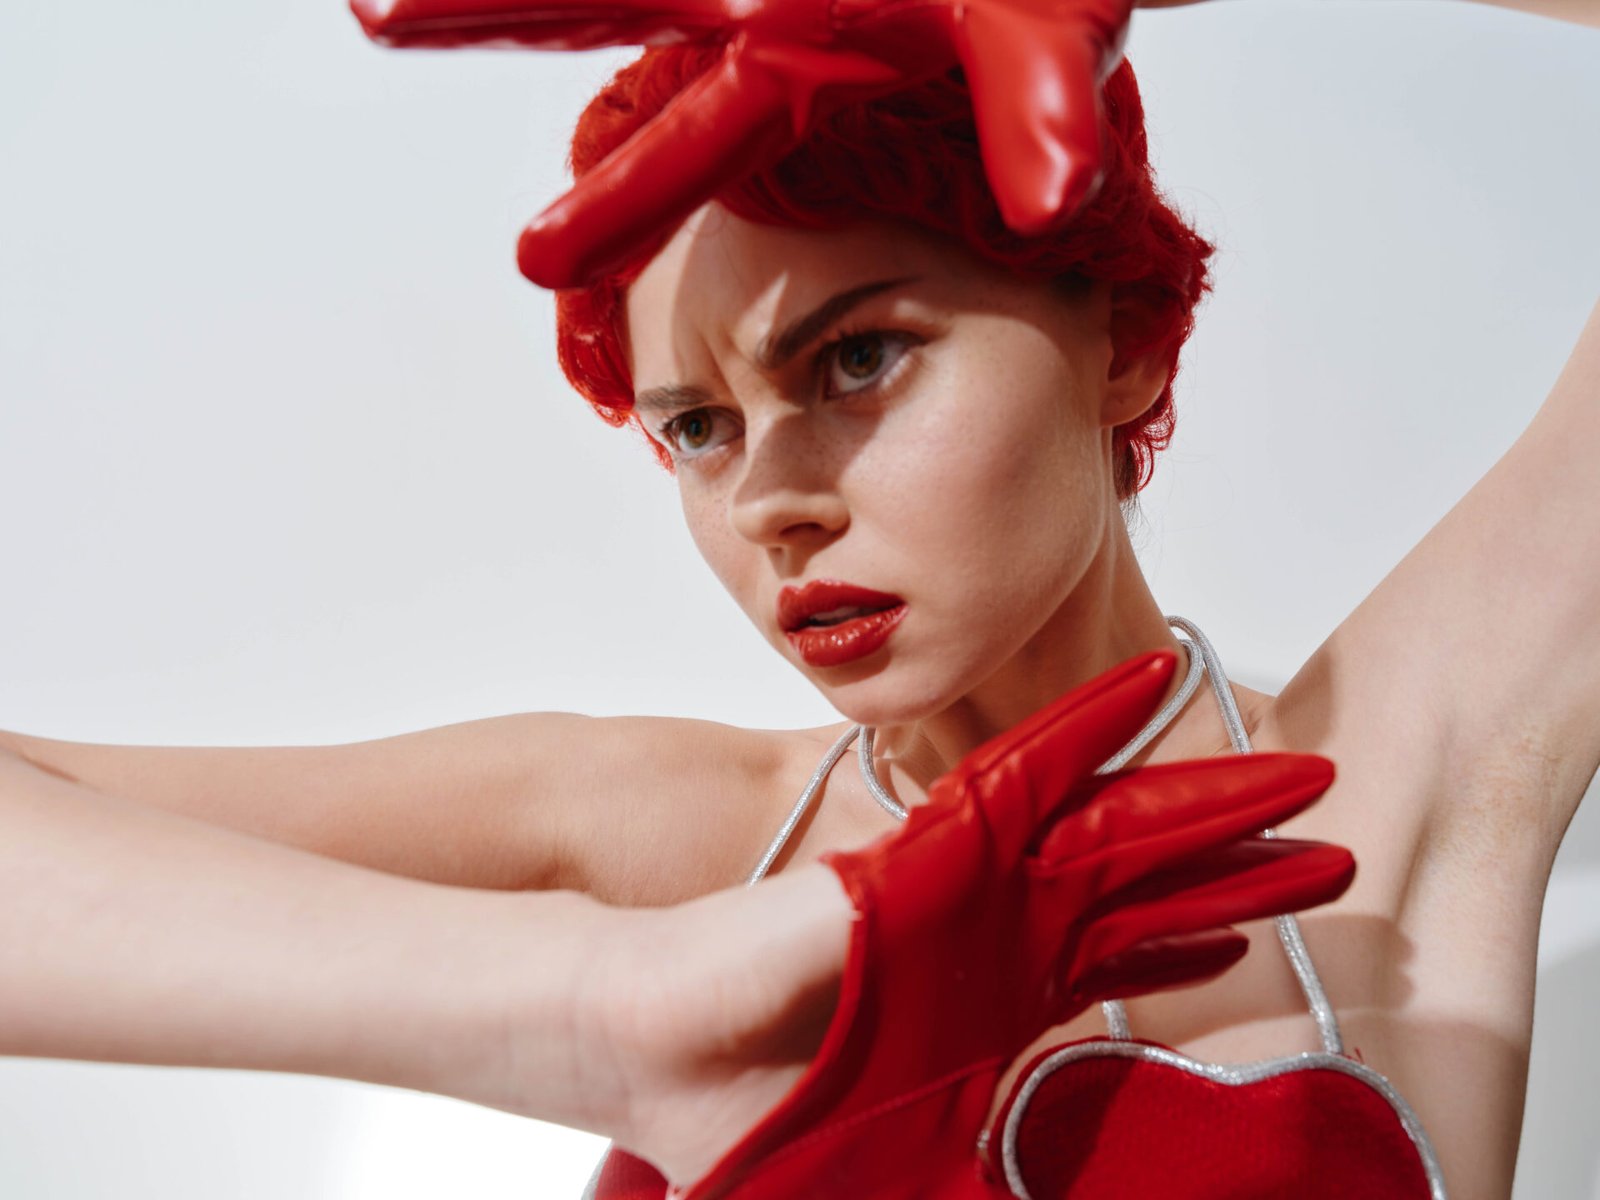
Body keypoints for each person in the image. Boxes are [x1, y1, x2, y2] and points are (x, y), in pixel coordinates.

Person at [0, 2, 1595, 1199]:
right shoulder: (661, 836)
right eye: (698, 427)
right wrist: (596, 1006)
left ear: (1122, 339)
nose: (770, 500)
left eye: (857, 357)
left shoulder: (1401, 779)